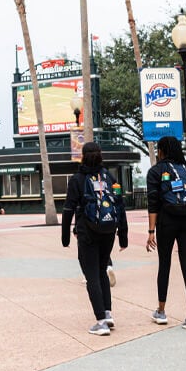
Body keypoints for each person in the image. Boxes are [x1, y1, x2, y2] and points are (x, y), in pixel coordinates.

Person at [62, 142, 128, 336]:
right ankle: (107, 313)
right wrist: (123, 236)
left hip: (87, 232)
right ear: (100, 156)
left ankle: (100, 322)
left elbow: (68, 209)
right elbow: (120, 205)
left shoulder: (77, 179)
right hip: (108, 230)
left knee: (91, 274)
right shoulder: (109, 177)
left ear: (83, 156)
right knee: (101, 271)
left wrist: (65, 236)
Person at [145, 136, 186, 331]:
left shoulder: (156, 171)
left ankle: (161, 311)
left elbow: (153, 203)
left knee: (165, 264)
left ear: (161, 151)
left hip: (166, 222)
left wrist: (151, 231)